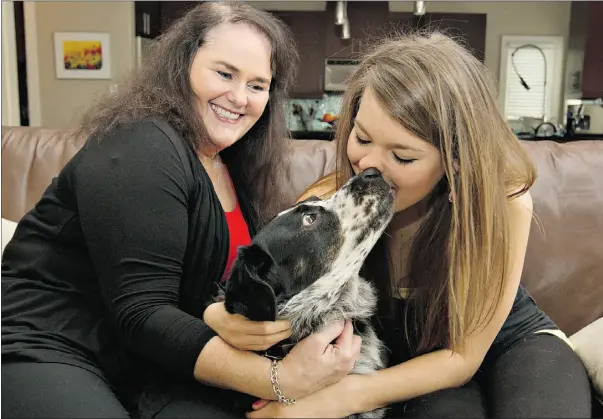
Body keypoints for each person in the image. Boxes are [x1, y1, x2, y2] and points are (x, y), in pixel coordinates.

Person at [1, 3, 360, 418]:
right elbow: (144, 313)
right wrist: (280, 380)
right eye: (224, 73)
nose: (239, 97)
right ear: (182, 65)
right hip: (50, 342)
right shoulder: (142, 146)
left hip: (149, 365)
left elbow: (194, 289)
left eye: (258, 84)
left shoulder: (230, 163)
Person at [248, 32, 592, 418]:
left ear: (455, 161)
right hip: (407, 368)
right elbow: (279, 306)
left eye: (403, 156)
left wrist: (341, 397)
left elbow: (462, 357)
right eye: (362, 138)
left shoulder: (504, 203)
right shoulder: (329, 206)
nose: (371, 167)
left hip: (509, 346)